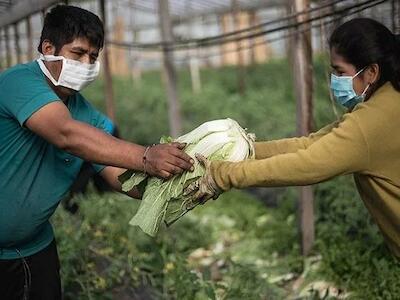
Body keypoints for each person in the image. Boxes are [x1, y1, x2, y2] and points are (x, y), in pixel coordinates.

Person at [0, 5, 193, 300]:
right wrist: (147, 155)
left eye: (93, 57)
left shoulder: (86, 115)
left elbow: (119, 177)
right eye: (78, 54)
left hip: (36, 249)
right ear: (48, 48)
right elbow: (65, 133)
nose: (87, 63)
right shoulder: (18, 82)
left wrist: (185, 186)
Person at [185, 18, 400, 259]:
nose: (334, 81)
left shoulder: (371, 122)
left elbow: (308, 164)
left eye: (340, 72)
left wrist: (223, 175)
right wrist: (248, 150)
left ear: (371, 72)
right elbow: (311, 143)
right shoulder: (387, 102)